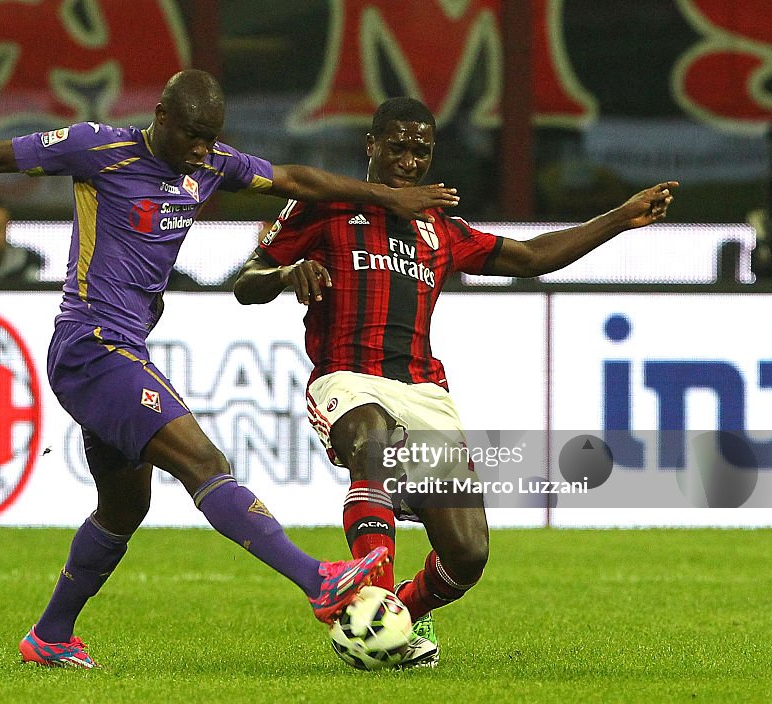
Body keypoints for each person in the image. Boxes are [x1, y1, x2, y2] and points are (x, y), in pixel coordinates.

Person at [0, 70, 462, 669]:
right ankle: (317, 581)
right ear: (162, 118)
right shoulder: (99, 149)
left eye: (212, 139)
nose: (203, 151)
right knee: (204, 464)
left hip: (126, 348)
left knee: (124, 508)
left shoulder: (208, 163)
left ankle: (50, 636)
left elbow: (294, 179)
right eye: (194, 136)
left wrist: (385, 197)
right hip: (92, 344)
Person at [233, 97, 677, 667]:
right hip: (347, 378)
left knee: (467, 555)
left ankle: (397, 614)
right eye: (398, 147)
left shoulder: (439, 227)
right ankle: (367, 594)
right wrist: (287, 273)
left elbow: (531, 256)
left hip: (424, 393)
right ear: (371, 146)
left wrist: (620, 217)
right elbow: (248, 281)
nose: (410, 161)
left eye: (421, 150)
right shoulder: (326, 206)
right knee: (370, 438)